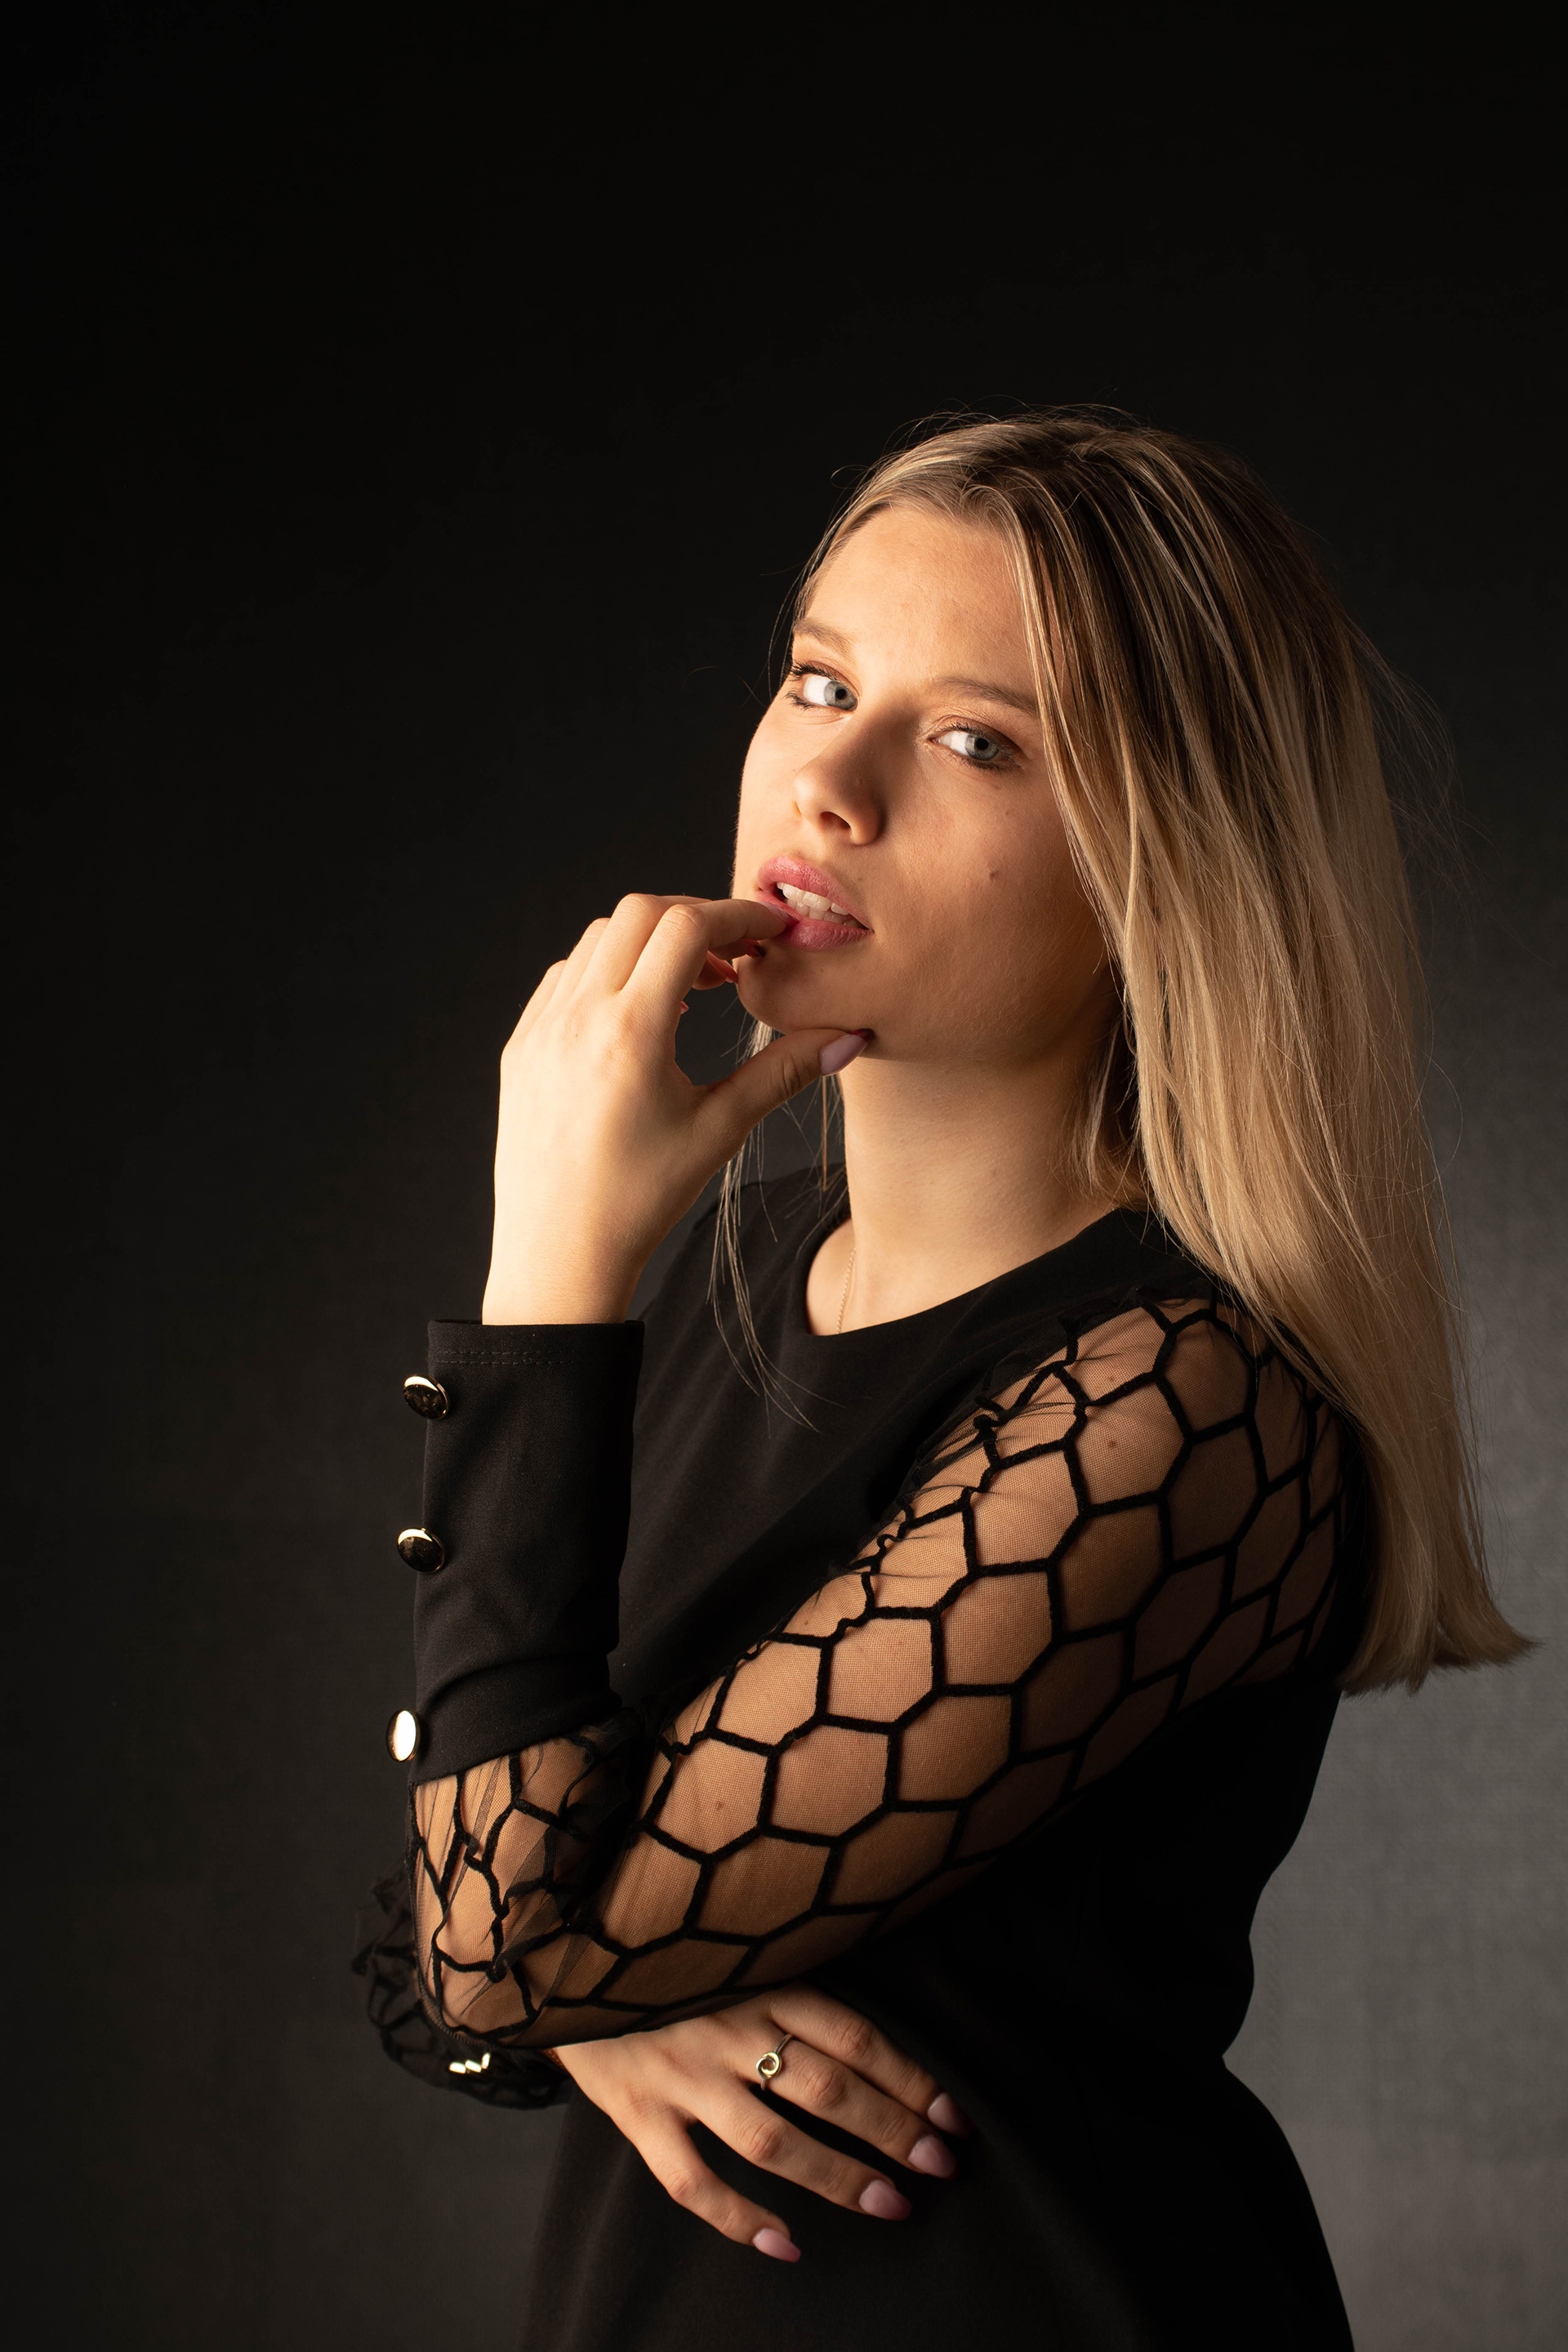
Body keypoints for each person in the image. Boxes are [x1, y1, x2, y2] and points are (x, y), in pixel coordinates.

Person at [354, 411, 1524, 2350]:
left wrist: (546, 1278)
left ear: (1168, 864)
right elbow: (447, 1913)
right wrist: (574, 1994)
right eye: (821, 683)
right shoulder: (738, 1272)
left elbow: (485, 1927)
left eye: (976, 741)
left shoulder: (1179, 1409)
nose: (827, 783)